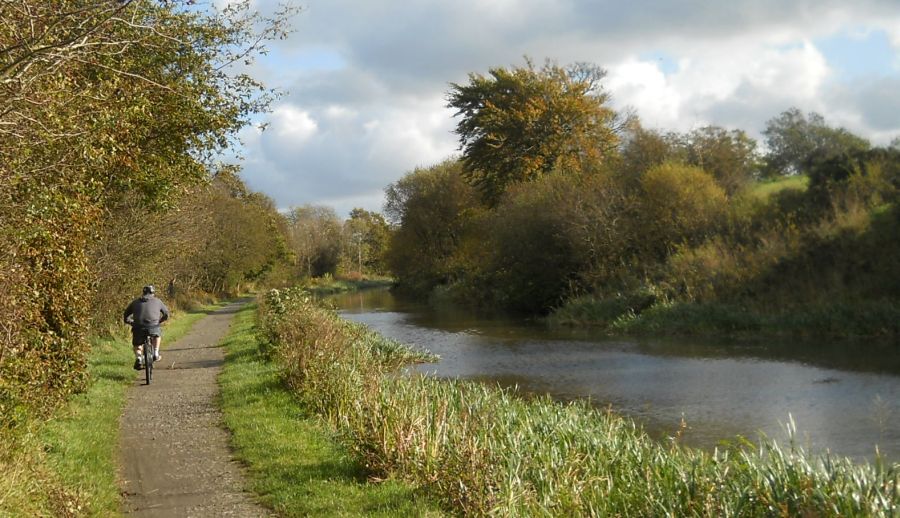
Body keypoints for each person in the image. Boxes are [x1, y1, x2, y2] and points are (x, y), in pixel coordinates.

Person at [124, 285, 170, 370]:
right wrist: (159, 321)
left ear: (143, 293)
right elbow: (166, 314)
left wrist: (131, 322)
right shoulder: (158, 301)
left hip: (138, 328)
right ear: (153, 293)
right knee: (157, 334)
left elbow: (125, 316)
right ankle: (156, 353)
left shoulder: (135, 302)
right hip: (153, 326)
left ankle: (138, 357)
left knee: (137, 344)